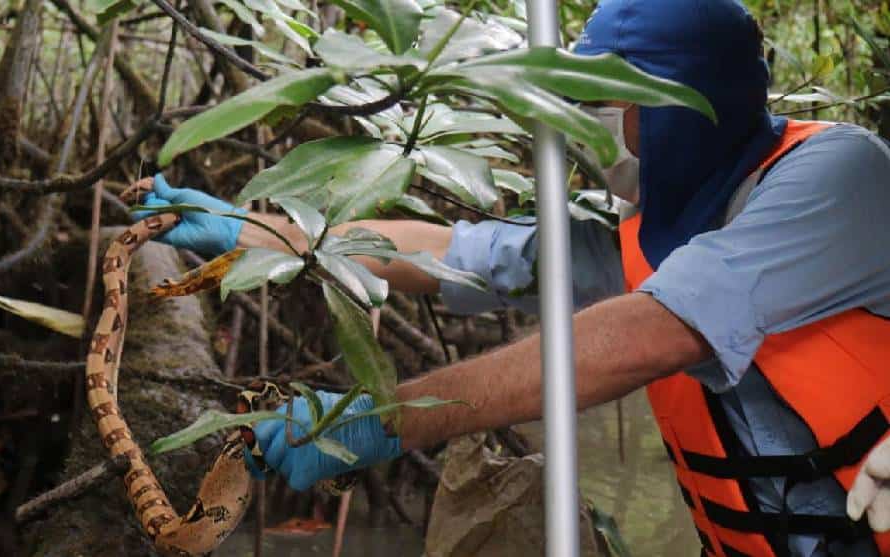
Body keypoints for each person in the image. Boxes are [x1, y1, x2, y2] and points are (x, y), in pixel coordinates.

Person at [133, 1, 890, 555]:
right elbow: (463, 253)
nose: (586, 131)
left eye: (603, 105)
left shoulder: (838, 177)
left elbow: (649, 332)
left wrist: (379, 421)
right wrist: (260, 233)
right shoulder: (652, 224)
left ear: (680, 106)